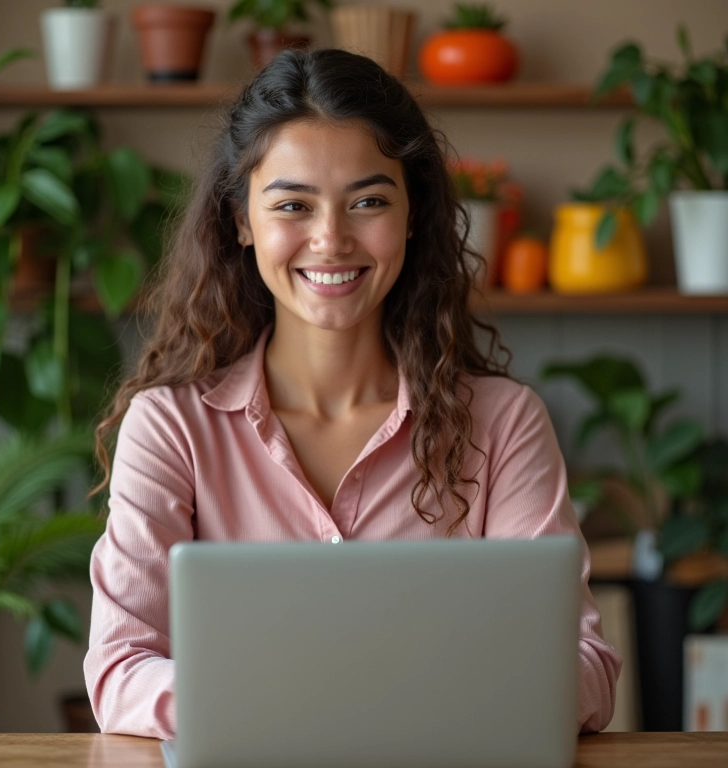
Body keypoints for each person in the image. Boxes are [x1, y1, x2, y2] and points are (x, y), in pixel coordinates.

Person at [84, 48, 621, 740]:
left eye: (368, 201)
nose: (331, 239)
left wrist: (327, 697)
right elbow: (120, 669)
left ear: (412, 215)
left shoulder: (503, 424)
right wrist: (334, 699)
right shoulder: (171, 428)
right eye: (292, 205)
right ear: (241, 220)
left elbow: (588, 671)